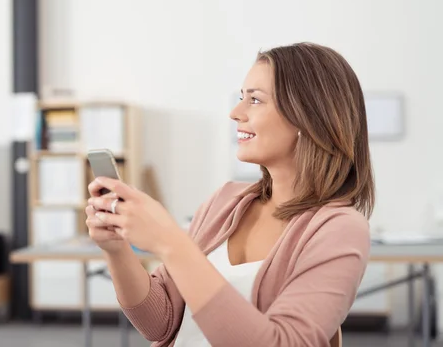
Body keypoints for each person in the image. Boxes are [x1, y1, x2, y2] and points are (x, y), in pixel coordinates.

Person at [84, 42, 374, 347]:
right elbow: (161, 324)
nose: (236, 113)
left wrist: (170, 242)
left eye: (255, 100)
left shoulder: (340, 229)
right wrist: (116, 250)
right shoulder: (225, 201)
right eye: (240, 98)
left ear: (308, 116)